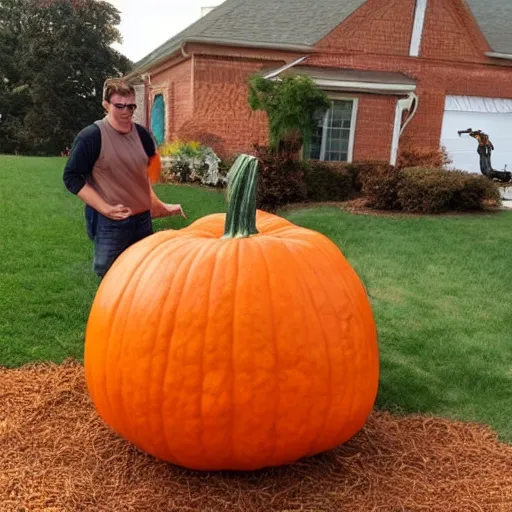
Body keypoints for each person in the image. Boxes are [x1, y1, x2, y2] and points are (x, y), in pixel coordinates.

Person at [63, 78, 185, 278]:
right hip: (110, 223)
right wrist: (105, 208)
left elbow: (142, 175)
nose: (126, 111)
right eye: (119, 106)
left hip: (142, 221)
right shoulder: (92, 137)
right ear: (106, 105)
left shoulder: (143, 135)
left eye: (131, 106)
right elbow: (71, 177)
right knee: (111, 276)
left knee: (142, 274)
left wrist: (156, 205)